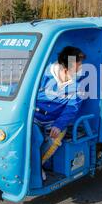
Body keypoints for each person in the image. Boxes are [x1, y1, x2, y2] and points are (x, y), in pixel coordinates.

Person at [34, 46, 86, 181]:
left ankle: (35, 166)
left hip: (54, 121)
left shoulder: (78, 85)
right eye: (78, 66)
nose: (80, 70)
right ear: (66, 68)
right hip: (34, 116)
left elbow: (71, 109)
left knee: (54, 140)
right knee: (31, 138)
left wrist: (59, 124)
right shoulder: (44, 73)